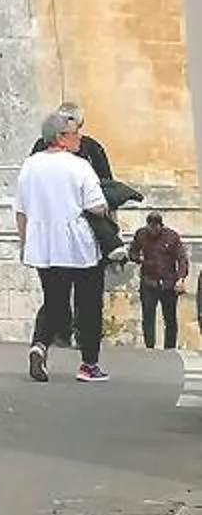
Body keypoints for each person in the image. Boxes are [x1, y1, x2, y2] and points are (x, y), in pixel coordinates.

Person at [14, 108, 111, 381]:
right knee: (88, 303)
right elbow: (96, 205)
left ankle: (39, 345)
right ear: (60, 138)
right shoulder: (78, 166)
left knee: (54, 301)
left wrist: (24, 243)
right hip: (78, 245)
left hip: (43, 245)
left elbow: (21, 210)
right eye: (74, 133)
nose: (79, 137)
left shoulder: (30, 166)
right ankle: (89, 364)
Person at [129, 211, 190, 349]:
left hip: (168, 282)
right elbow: (132, 251)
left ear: (161, 225)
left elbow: (182, 258)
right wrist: (138, 258)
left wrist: (181, 278)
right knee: (148, 315)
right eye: (150, 227)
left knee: (170, 318)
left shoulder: (172, 236)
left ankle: (169, 348)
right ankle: (149, 346)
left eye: (155, 227)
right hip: (148, 281)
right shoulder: (141, 234)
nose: (153, 231)